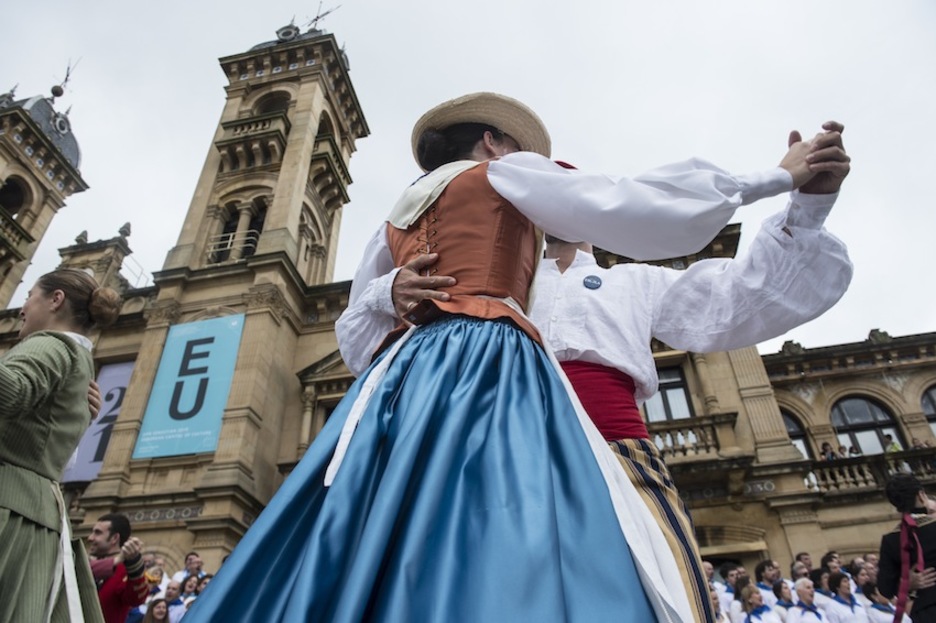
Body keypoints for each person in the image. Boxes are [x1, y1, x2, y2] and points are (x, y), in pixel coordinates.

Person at [186, 92, 847, 623]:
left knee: (649, 593)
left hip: (614, 453)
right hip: (473, 448)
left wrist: (805, 204)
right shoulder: (474, 273)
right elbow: (358, 340)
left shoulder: (632, 282)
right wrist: (390, 292)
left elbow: (742, 298)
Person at [0, 268, 121, 623]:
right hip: (33, 514)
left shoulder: (50, 344)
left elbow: (11, 391)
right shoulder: (80, 361)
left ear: (56, 300)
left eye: (29, 297)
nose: (22, 308)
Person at [879, 473, 936, 621]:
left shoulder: (890, 540)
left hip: (926, 612)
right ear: (921, 495)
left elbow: (885, 589)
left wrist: (906, 583)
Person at [86, 513, 149, 623]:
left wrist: (134, 562)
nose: (90, 538)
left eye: (97, 533)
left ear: (114, 538)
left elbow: (136, 599)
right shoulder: (86, 562)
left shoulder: (124, 570)